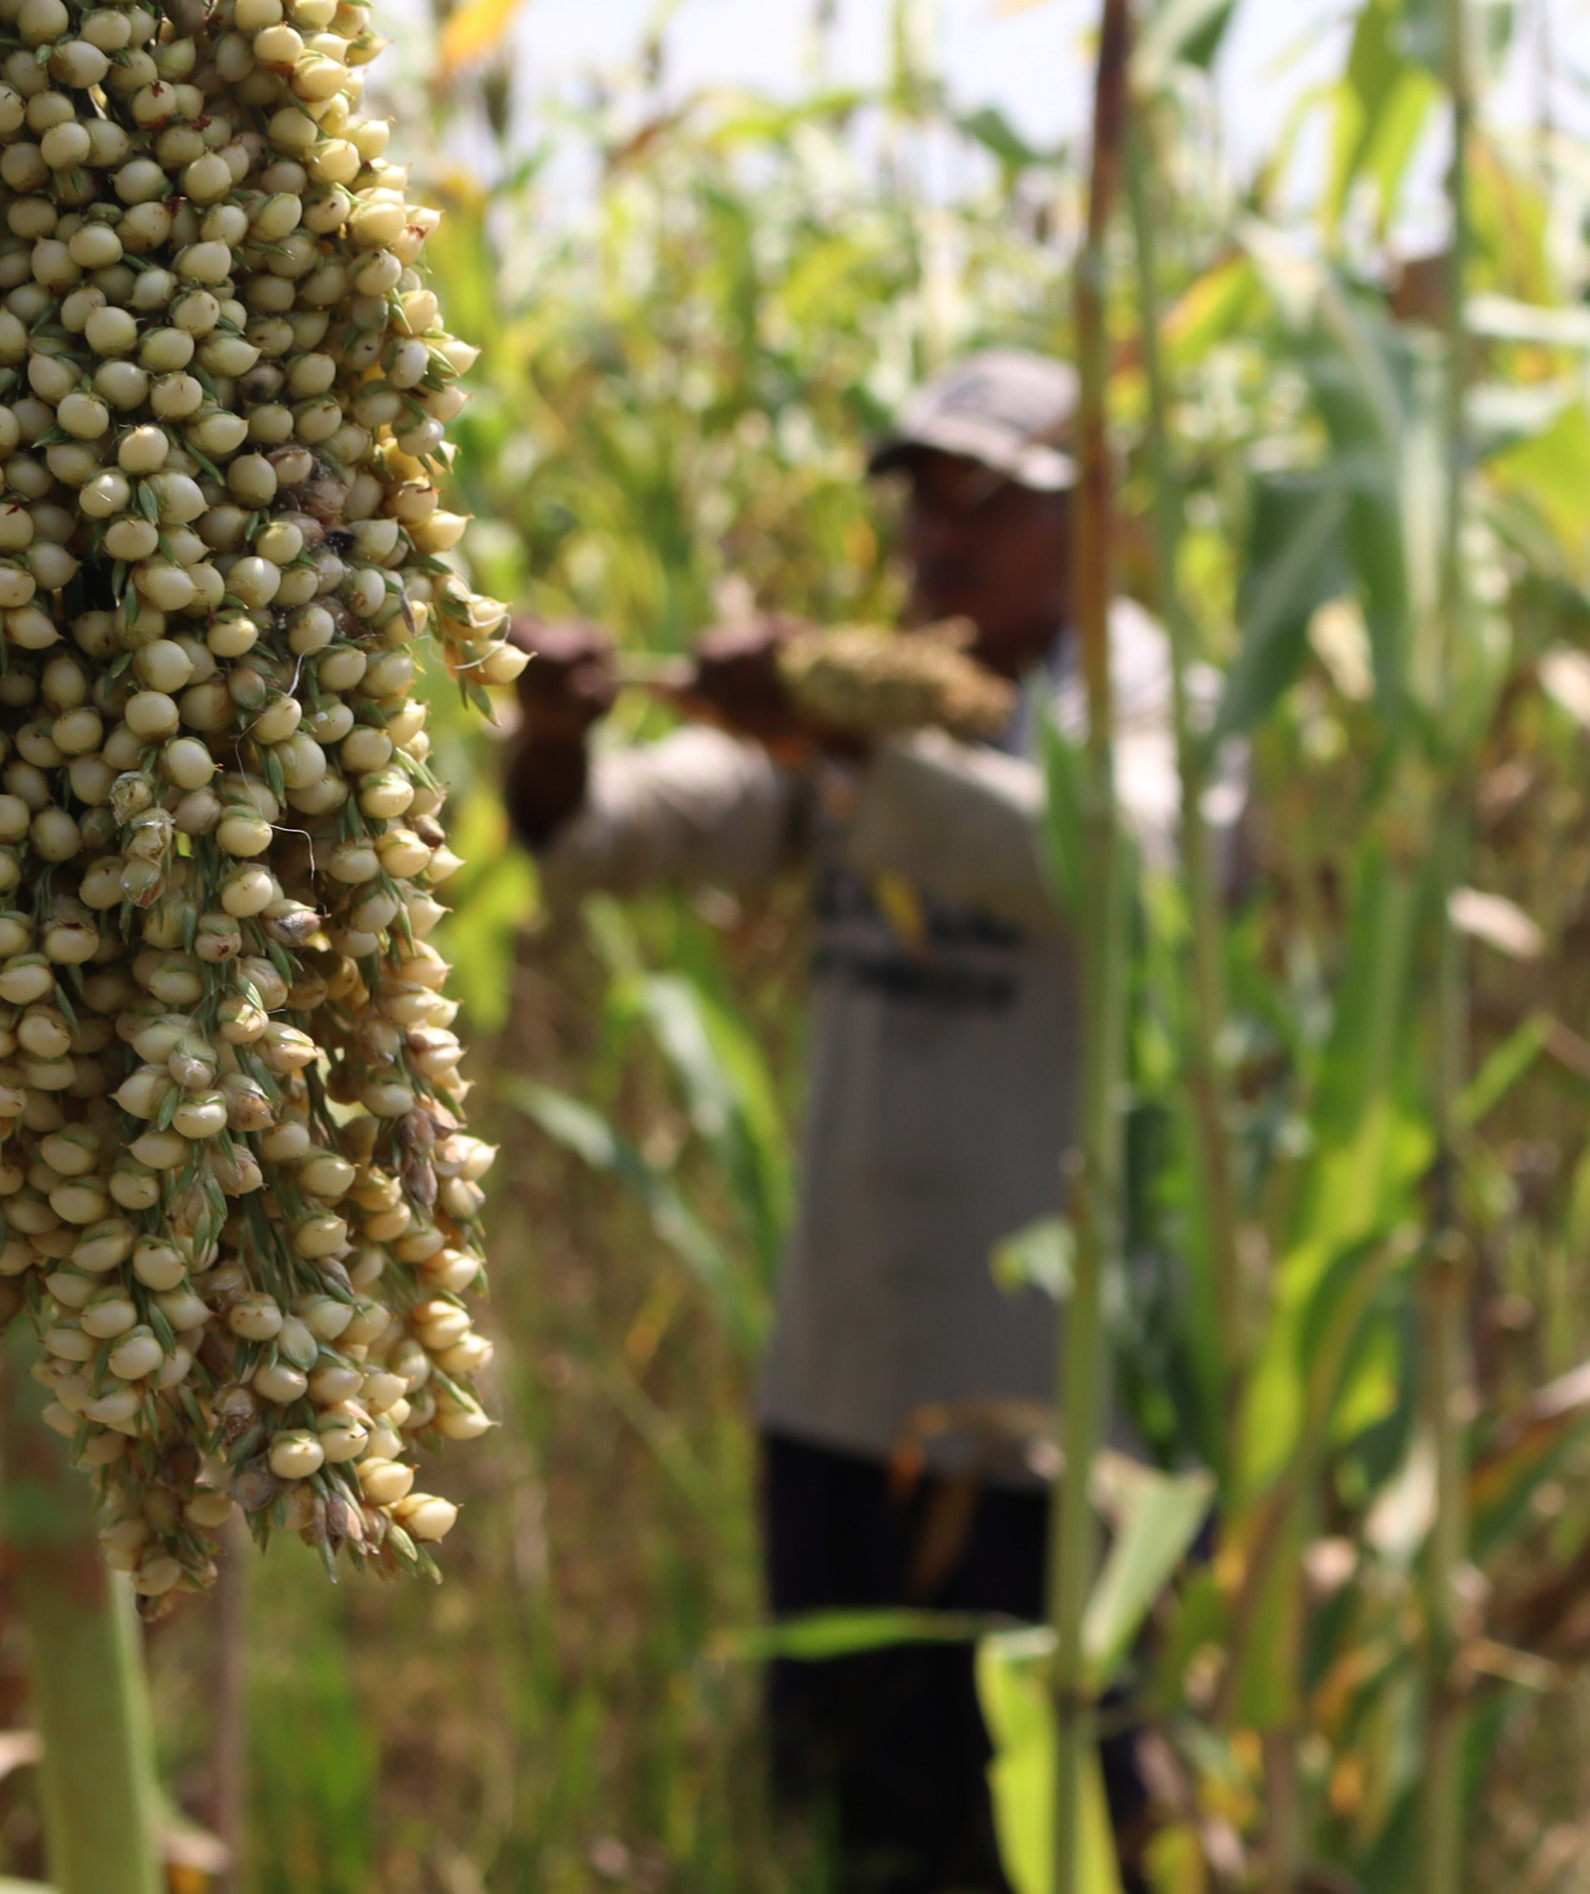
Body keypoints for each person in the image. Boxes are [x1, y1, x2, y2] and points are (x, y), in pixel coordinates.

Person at [499, 348, 1210, 1892]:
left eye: (984, 502)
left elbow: (1133, 871)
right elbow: (618, 836)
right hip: (848, 1388)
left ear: (1093, 520)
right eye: (918, 505)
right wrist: (556, 741)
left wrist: (848, 744)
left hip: (1053, 1418)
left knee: (1057, 1841)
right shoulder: (863, 704)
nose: (937, 540)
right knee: (856, 1830)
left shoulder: (1147, 699)